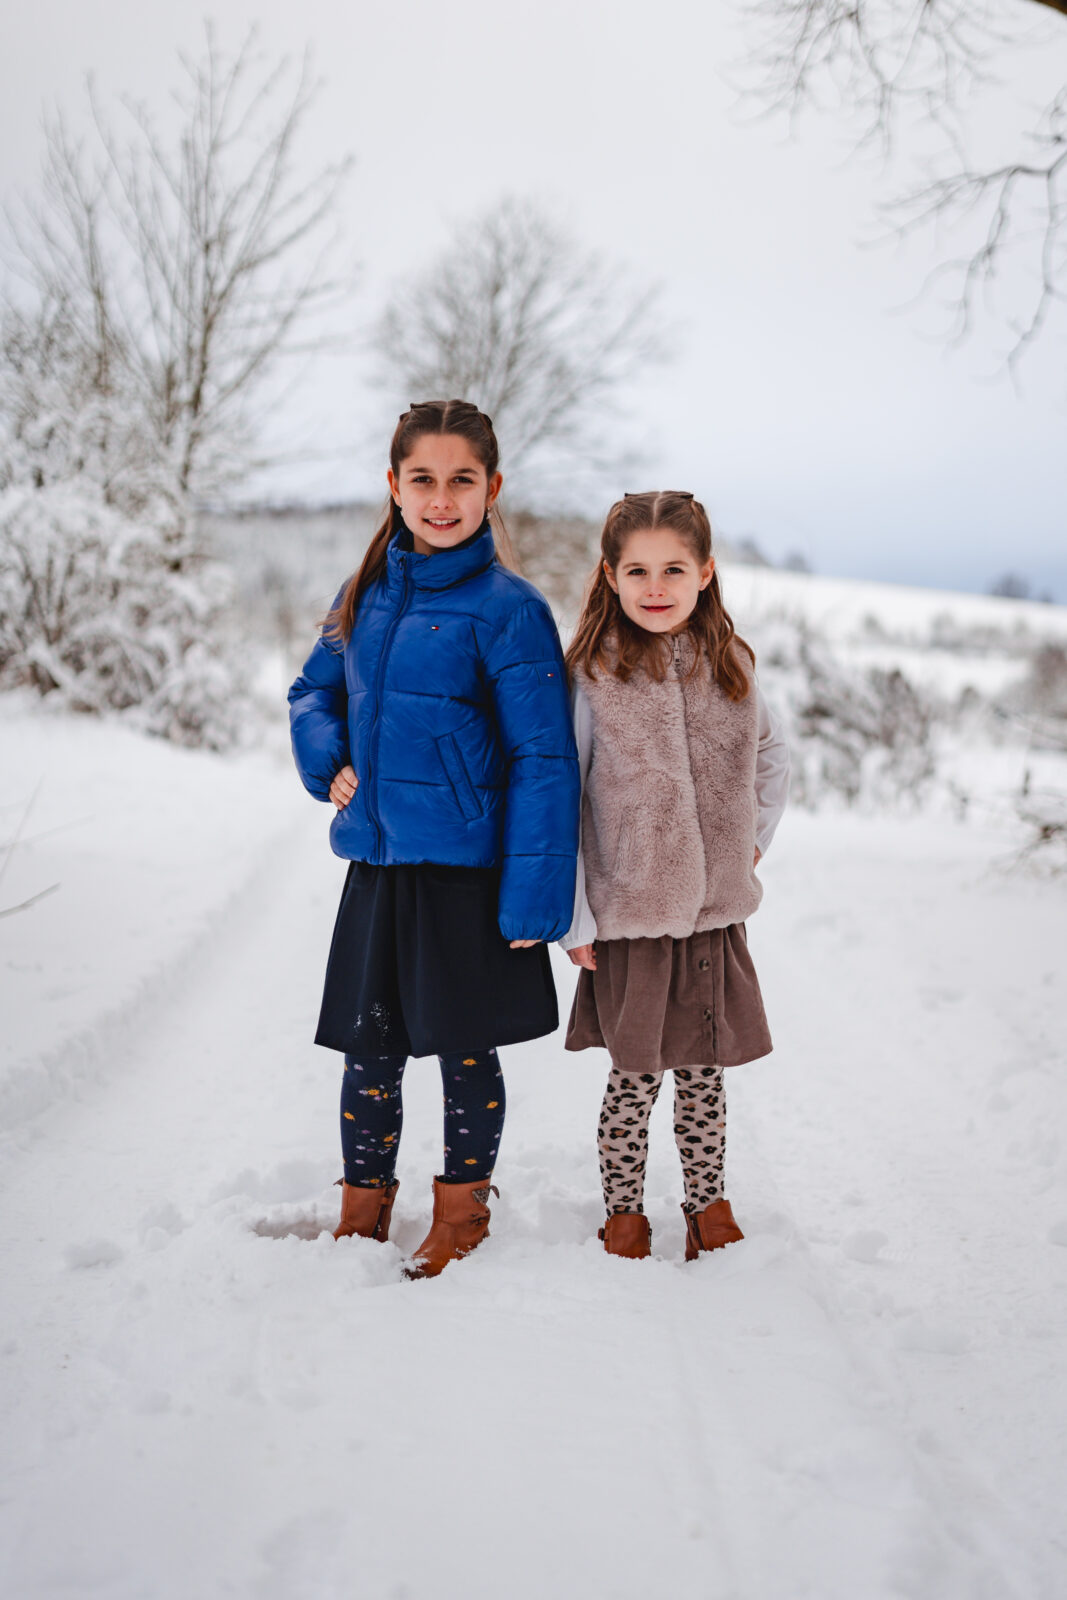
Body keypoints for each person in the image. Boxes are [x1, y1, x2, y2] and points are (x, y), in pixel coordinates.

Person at [288, 400, 580, 1277]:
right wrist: (325, 758)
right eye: (423, 479)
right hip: (380, 864)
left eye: (461, 480)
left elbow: (544, 757)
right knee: (369, 1045)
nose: (441, 498)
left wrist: (536, 895)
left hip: (466, 875)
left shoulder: (510, 611)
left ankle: (461, 1212)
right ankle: (361, 1212)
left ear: (492, 489)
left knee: (463, 1048)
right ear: (394, 486)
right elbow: (313, 694)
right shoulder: (365, 594)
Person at [560, 490, 790, 1261]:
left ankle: (707, 1204)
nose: (655, 587)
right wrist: (576, 917)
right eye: (637, 571)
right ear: (610, 576)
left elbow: (771, 755)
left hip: (711, 915)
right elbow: (563, 793)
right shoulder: (592, 674)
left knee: (703, 1074)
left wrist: (749, 842)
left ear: (705, 572)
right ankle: (623, 1211)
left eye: (673, 569)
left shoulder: (732, 665)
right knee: (634, 1078)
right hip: (629, 912)